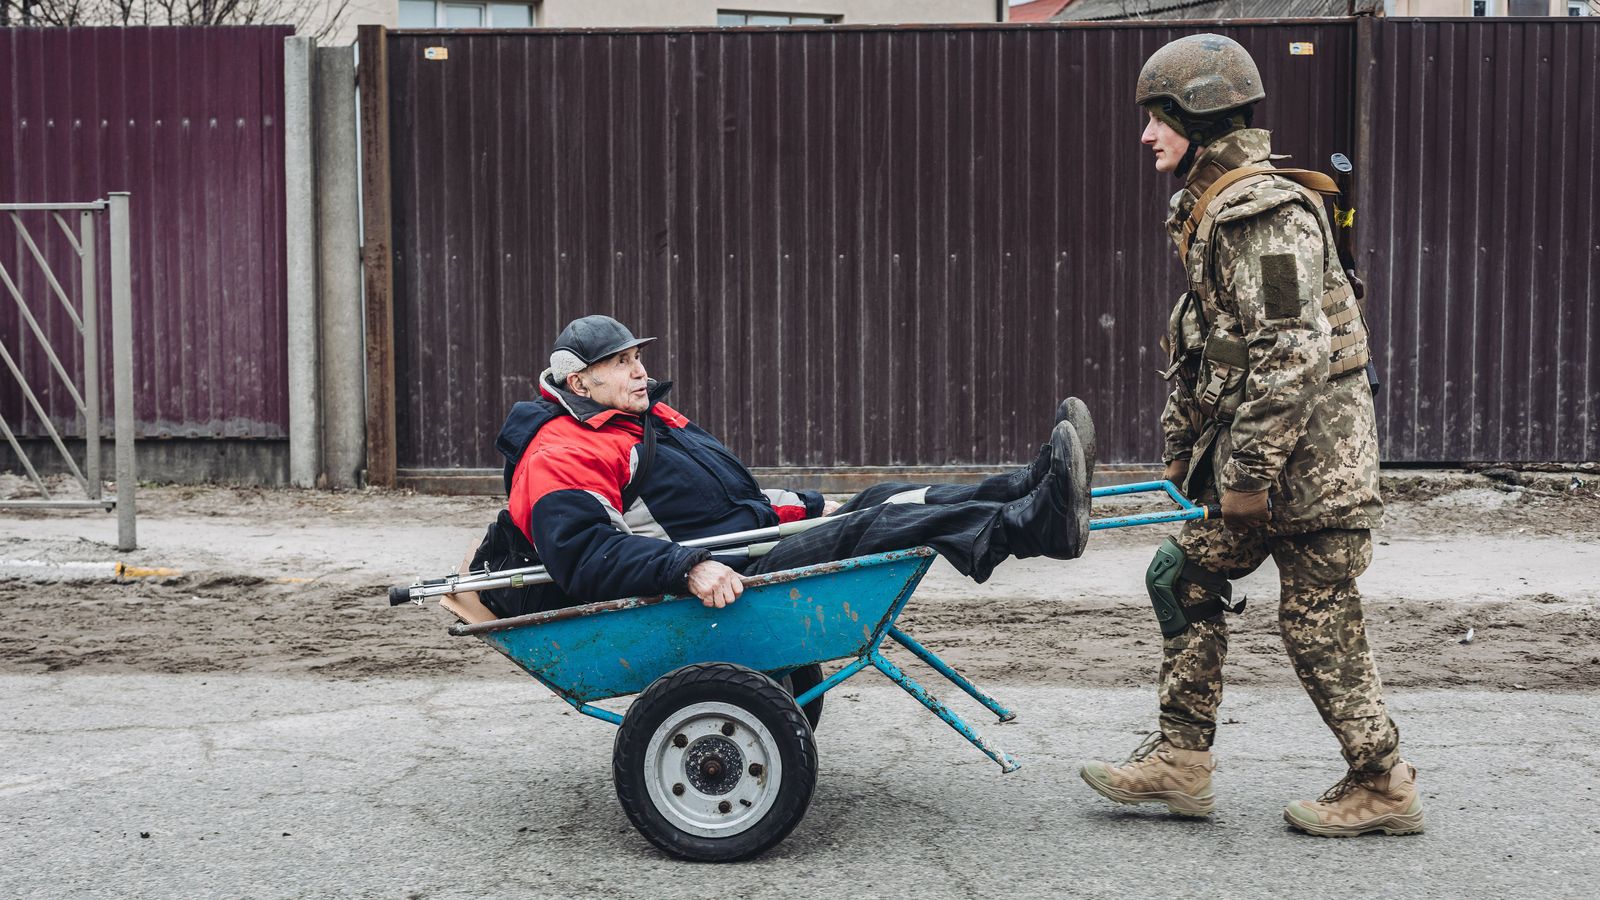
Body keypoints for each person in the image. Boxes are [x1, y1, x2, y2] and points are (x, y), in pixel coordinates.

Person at [1076, 34, 1422, 838]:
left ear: (1197, 116)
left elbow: (1291, 352)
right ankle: (1181, 762)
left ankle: (1384, 783)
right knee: (1181, 574)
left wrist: (1249, 474)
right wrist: (1180, 448)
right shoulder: (1213, 205)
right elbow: (1206, 343)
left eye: (1156, 117)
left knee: (1316, 620)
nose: (1145, 134)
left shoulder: (1263, 214)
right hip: (1258, 463)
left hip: (1313, 469)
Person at [487, 314, 1093, 616]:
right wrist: (689, 568)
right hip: (700, 579)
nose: (641, 371)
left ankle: (1029, 487)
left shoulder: (639, 421)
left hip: (736, 545)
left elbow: (723, 503)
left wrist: (808, 507)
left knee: (874, 498)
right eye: (621, 363)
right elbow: (587, 554)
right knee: (866, 528)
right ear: (578, 380)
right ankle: (1031, 525)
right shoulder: (562, 450)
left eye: (636, 358)